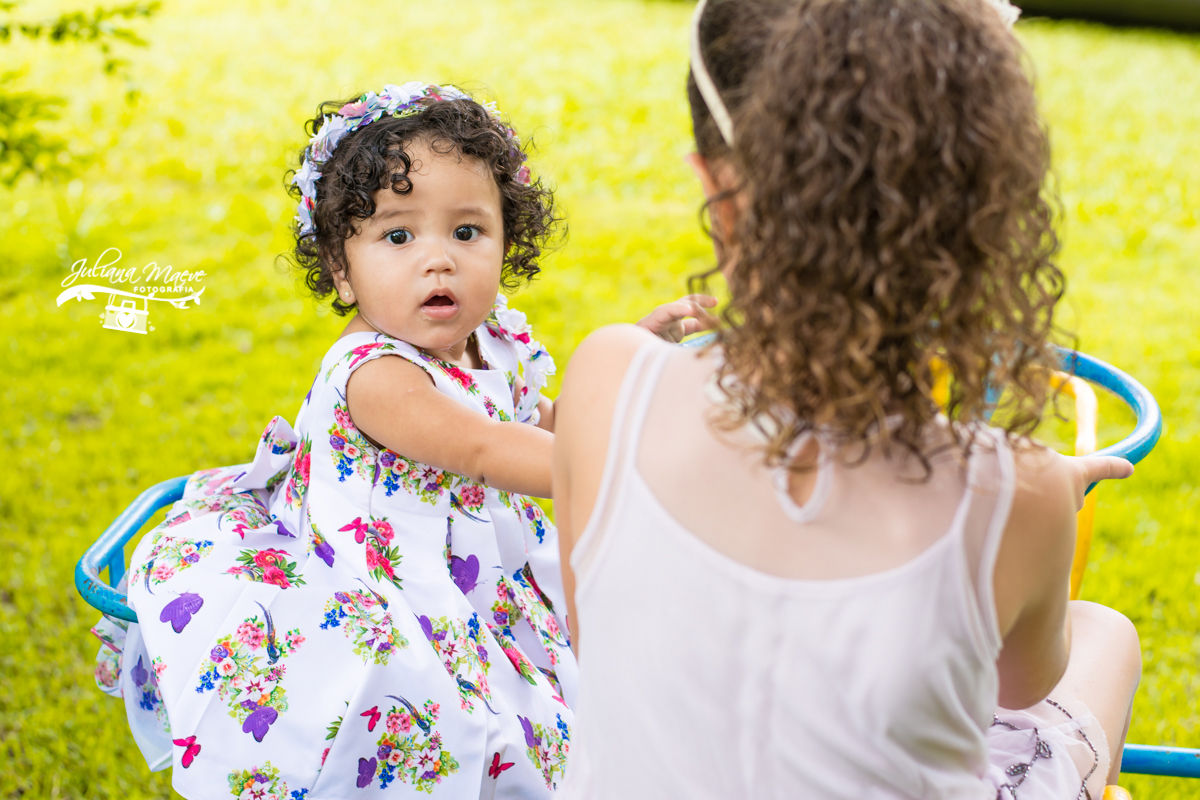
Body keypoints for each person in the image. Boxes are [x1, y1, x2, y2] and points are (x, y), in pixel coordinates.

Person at [551, 1, 1142, 798]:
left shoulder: (608, 380)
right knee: (1108, 636)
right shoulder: (1019, 494)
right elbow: (1022, 688)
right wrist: (1041, 492)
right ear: (973, 219)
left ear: (718, 192)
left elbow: (605, 645)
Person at [89, 82, 711, 798]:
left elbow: (541, 423)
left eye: (467, 232)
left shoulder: (492, 340)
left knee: (557, 711)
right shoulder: (378, 375)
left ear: (508, 243)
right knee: (448, 738)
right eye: (398, 235)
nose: (437, 259)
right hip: (392, 588)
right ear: (339, 270)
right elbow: (484, 450)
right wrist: (625, 467)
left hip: (479, 572)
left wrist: (627, 365)